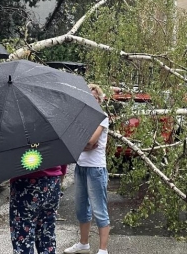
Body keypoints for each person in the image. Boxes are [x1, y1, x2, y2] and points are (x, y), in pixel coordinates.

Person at [64, 84, 111, 254]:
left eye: (95, 97)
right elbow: (69, 139)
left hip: (96, 169)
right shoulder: (80, 117)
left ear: (99, 100)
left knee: (99, 209)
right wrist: (81, 145)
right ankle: (83, 244)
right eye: (88, 96)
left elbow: (91, 141)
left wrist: (81, 143)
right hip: (81, 167)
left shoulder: (102, 117)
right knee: (81, 208)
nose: (92, 100)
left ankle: (103, 249)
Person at [10, 163, 68, 253]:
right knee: (47, 236)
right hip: (53, 182)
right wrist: (61, 177)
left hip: (26, 184)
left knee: (23, 238)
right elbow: (63, 155)